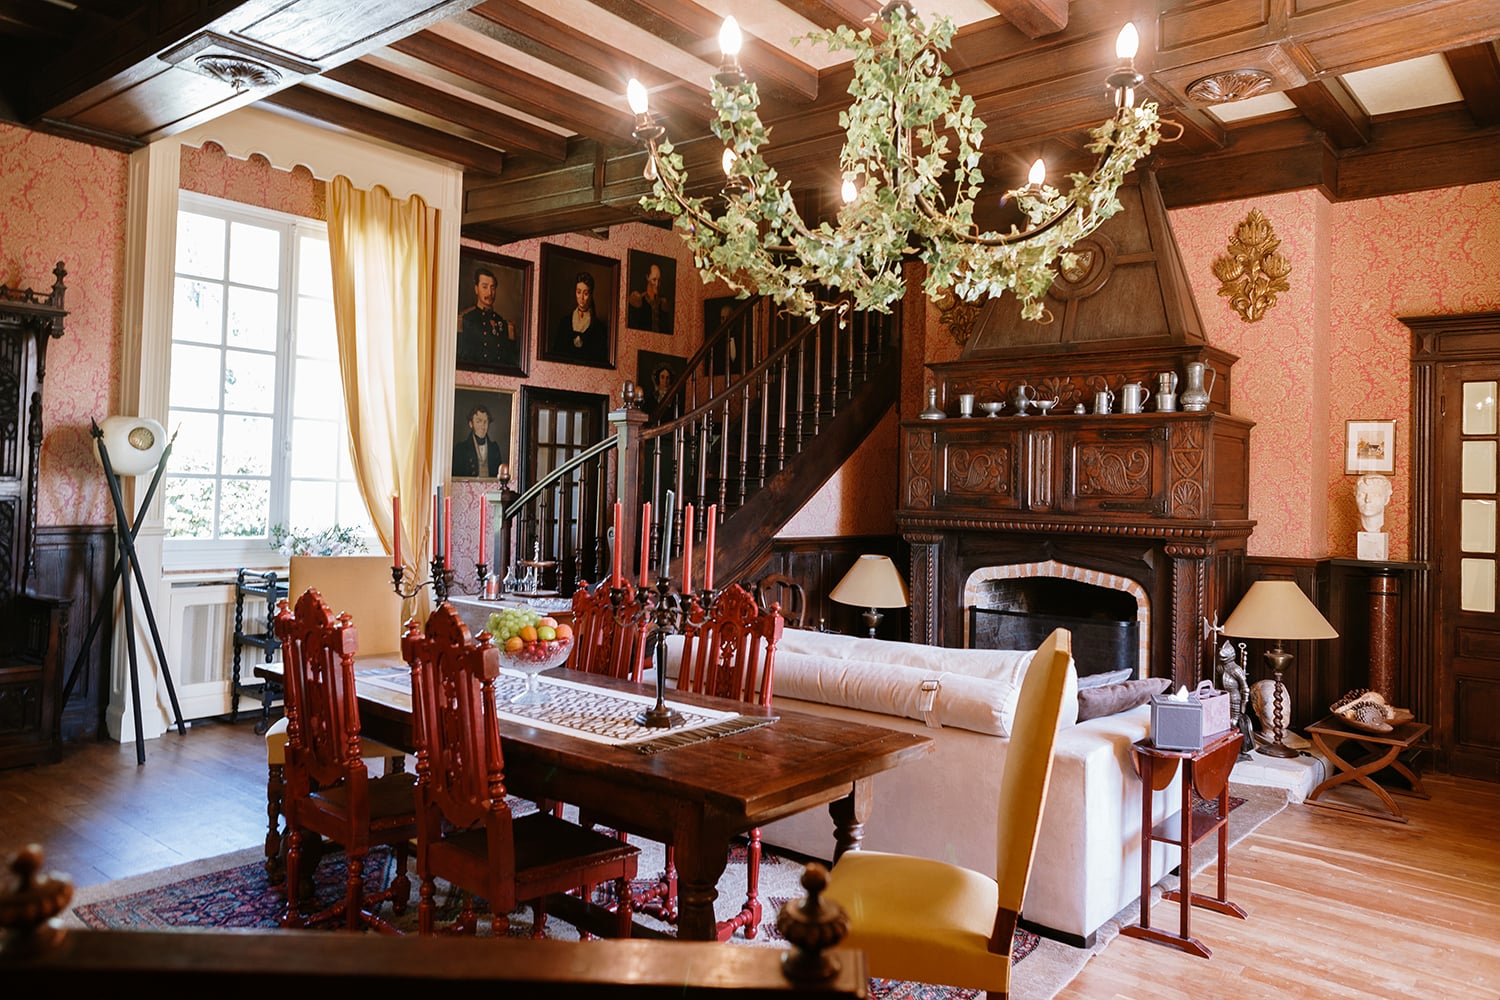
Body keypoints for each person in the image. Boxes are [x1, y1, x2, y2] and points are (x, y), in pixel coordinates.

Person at [457, 266, 518, 370]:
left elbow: (510, 363)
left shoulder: (504, 324)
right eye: (485, 287)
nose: (490, 293)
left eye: (493, 288)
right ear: (476, 289)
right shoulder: (465, 320)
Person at [551, 270, 609, 364]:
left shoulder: (599, 328)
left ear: (591, 295)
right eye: (578, 292)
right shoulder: (564, 322)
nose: (581, 298)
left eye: (585, 293)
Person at [452, 403, 503, 478]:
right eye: (478, 422)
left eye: (485, 422)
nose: (482, 426)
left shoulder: (494, 448)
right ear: (471, 424)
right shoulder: (461, 449)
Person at [628, 262, 673, 333]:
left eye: (659, 280)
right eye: (654, 280)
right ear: (647, 277)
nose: (657, 284)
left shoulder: (663, 303)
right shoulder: (638, 300)